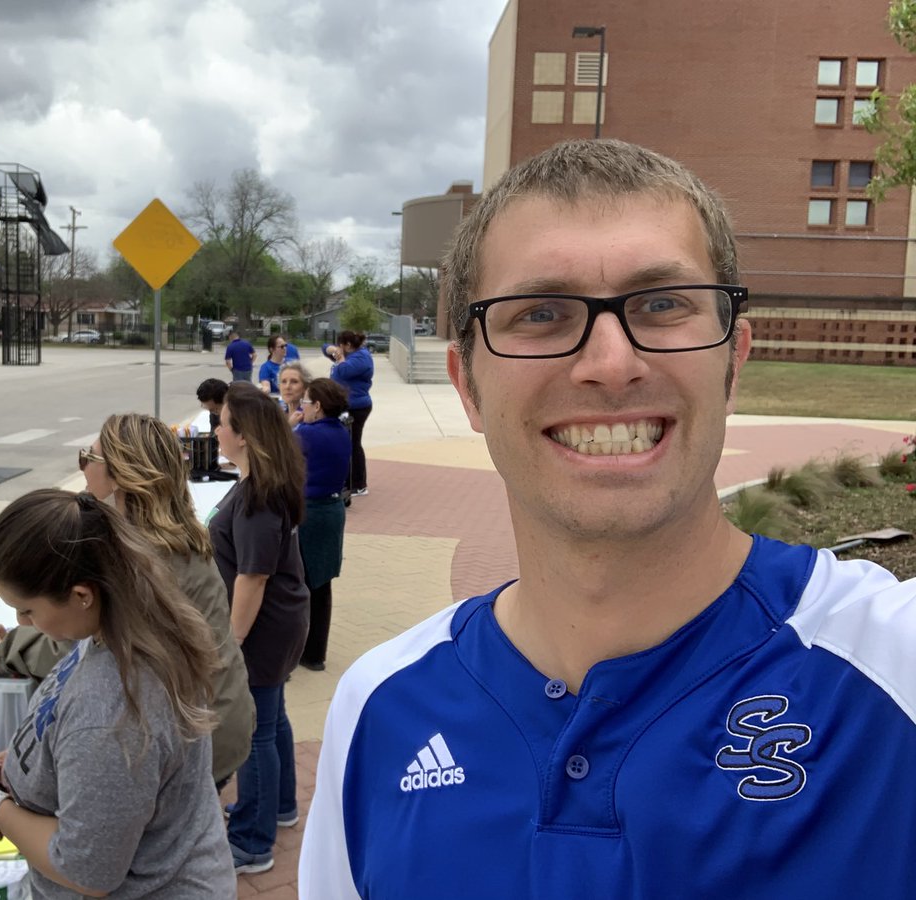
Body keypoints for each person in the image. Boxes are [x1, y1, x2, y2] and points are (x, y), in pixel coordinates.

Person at [299, 138, 916, 898]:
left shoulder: (894, 670)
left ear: (733, 359)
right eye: (542, 314)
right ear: (467, 386)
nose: (611, 362)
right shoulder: (378, 710)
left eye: (661, 304)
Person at [0, 489, 236, 899]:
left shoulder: (111, 713)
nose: (22, 622)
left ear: (81, 595)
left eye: (27, 610)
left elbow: (88, 869)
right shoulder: (122, 625)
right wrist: (30, 763)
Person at [0, 414, 254, 788]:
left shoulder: (139, 563)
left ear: (120, 476)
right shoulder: (174, 536)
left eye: (88, 458)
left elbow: (77, 651)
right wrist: (17, 632)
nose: (82, 467)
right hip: (218, 720)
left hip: (193, 741)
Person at [210, 382, 309, 876]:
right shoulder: (261, 483)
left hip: (263, 627)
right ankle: (279, 806)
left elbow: (252, 578)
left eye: (222, 422)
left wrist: (232, 642)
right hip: (282, 620)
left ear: (244, 435)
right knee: (273, 720)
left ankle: (252, 839)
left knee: (255, 732)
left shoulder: (257, 497)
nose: (216, 430)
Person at [294, 378, 351, 671]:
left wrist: (290, 421)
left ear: (317, 405)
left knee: (297, 582)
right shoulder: (342, 432)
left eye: (305, 401)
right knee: (321, 584)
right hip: (333, 511)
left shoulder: (305, 433)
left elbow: (276, 448)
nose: (302, 405)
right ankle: (316, 653)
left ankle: (292, 651)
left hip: (310, 514)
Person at [324, 330, 373, 496]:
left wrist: (341, 359)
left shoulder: (361, 358)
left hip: (356, 407)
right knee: (345, 443)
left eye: (341, 345)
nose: (339, 349)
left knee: (353, 444)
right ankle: (347, 480)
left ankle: (358, 484)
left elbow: (344, 371)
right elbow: (325, 348)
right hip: (343, 405)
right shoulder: (347, 355)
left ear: (348, 345)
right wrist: (333, 351)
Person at [277, 360, 310, 427]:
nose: (287, 387)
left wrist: (289, 427)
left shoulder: (308, 417)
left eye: (294, 382)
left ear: (305, 387)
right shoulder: (278, 414)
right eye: (283, 381)